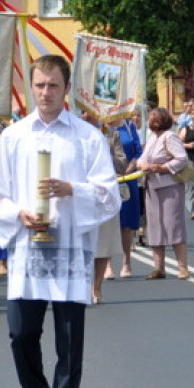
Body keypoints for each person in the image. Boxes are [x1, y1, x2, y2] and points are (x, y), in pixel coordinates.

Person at [0, 54, 120, 388]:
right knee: (21, 335)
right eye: (39, 85)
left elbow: (110, 196)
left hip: (71, 249)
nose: (45, 92)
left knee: (69, 342)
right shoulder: (14, 136)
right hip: (28, 249)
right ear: (31, 88)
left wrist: (73, 189)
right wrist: (16, 213)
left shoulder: (86, 137)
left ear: (66, 88)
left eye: (53, 85)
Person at [137, 107, 191, 279]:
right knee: (155, 226)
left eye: (151, 118)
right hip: (152, 186)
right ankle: (159, 268)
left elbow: (182, 158)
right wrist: (141, 165)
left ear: (159, 121)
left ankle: (182, 267)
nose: (148, 121)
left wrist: (161, 167)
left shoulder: (170, 136)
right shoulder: (153, 138)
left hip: (169, 185)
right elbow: (142, 159)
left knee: (173, 224)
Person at [81, 110, 125, 304]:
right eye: (82, 112)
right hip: (80, 195)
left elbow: (122, 163)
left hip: (103, 195)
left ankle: (96, 287)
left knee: (103, 242)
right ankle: (80, 286)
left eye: (88, 112)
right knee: (80, 245)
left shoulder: (111, 135)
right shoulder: (75, 135)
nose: (85, 116)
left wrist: (104, 154)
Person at [112, 113, 143, 277]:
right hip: (107, 179)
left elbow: (138, 151)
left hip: (127, 178)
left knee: (126, 223)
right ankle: (107, 265)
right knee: (108, 222)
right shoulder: (101, 126)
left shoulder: (129, 126)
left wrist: (130, 167)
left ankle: (126, 262)